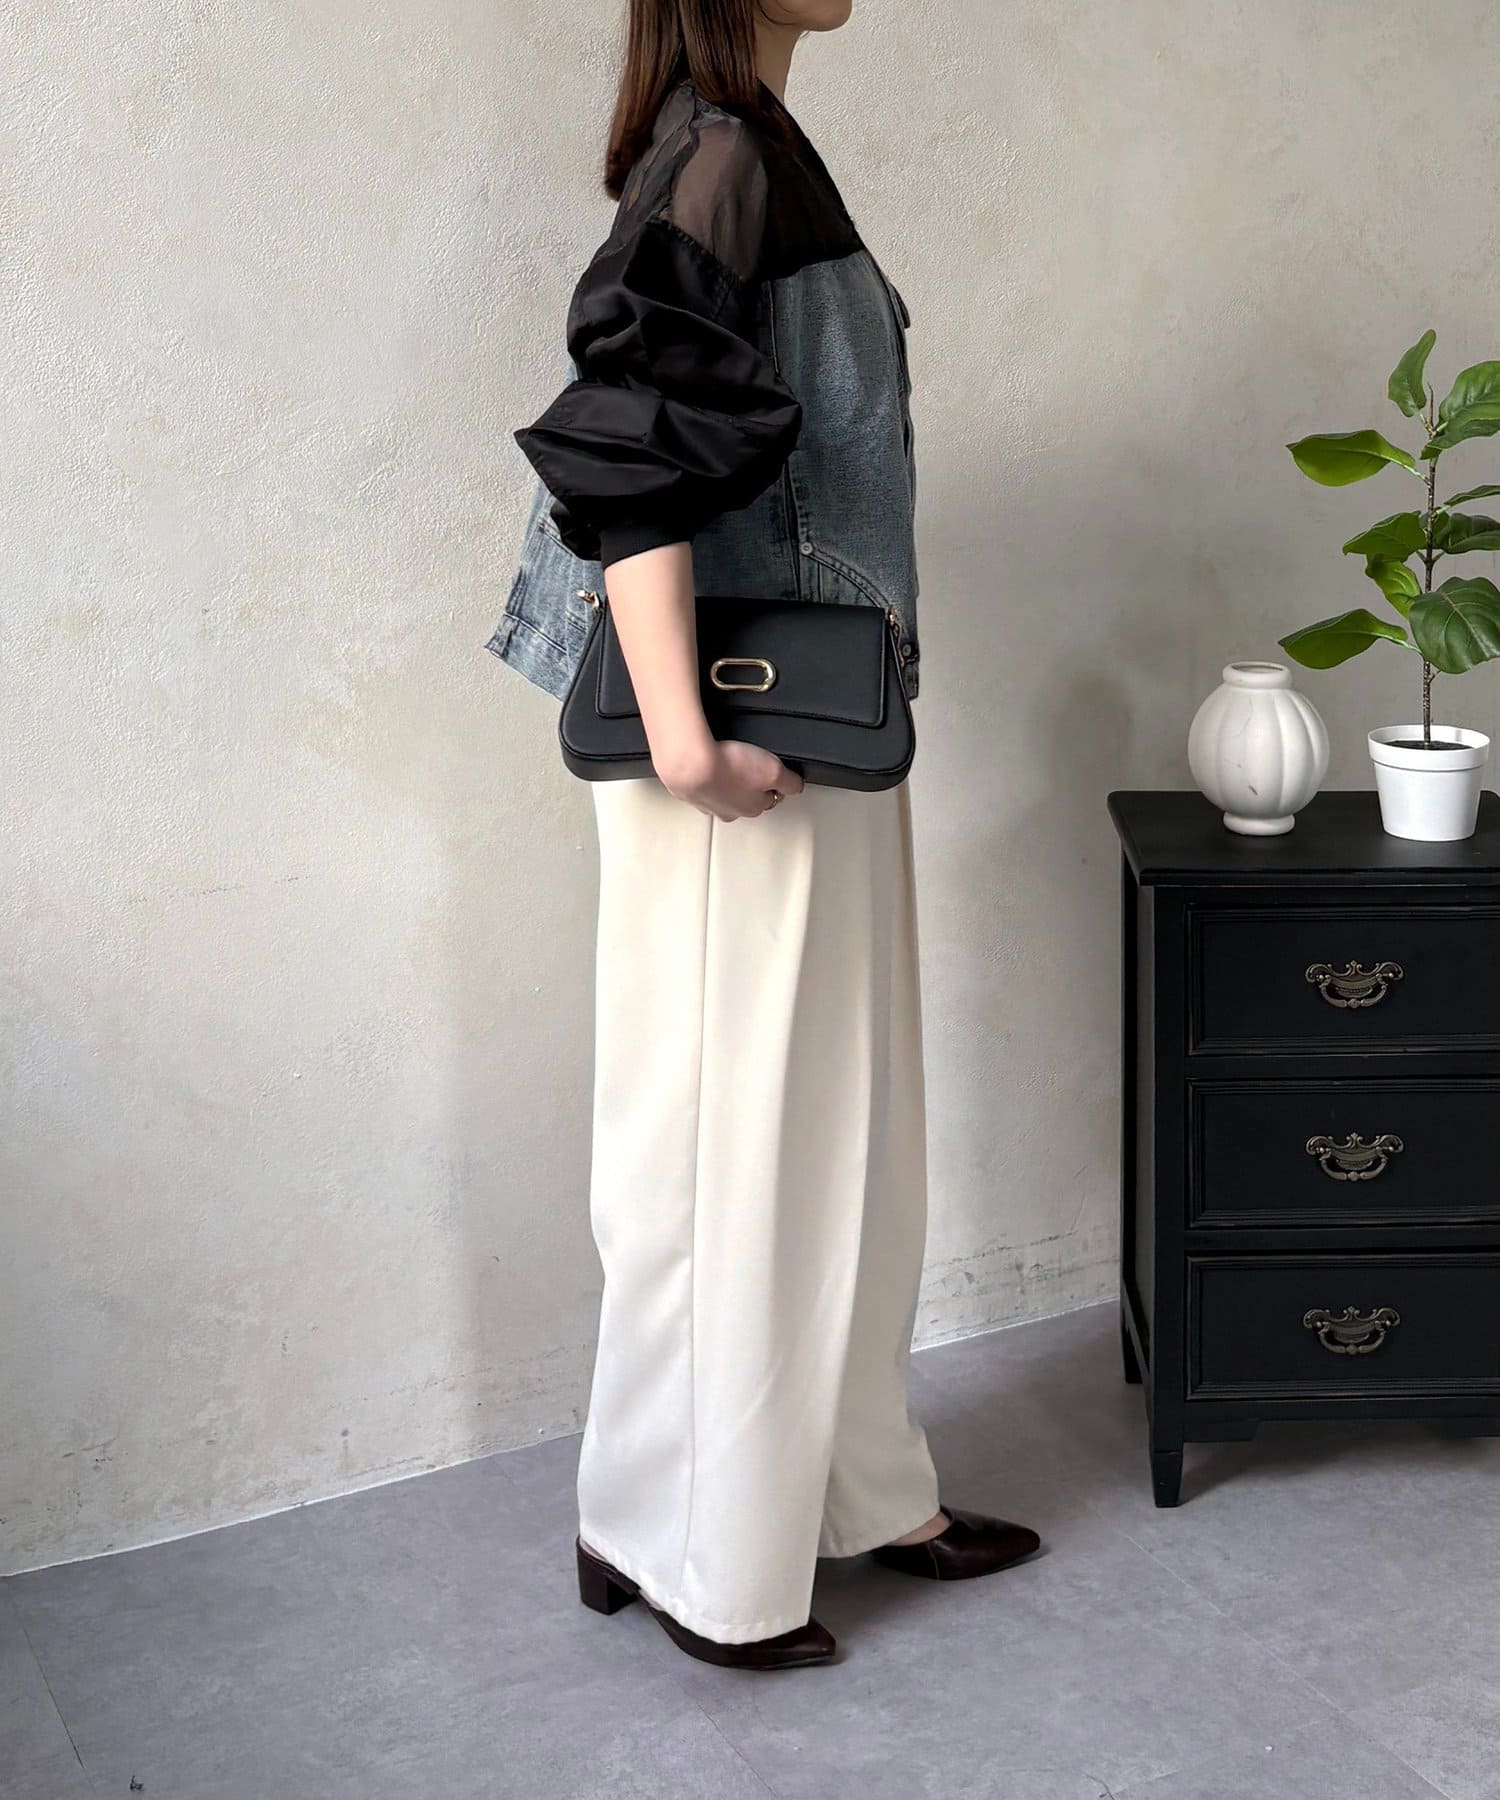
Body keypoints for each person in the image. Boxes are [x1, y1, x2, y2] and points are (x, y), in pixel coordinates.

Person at [488, 0, 1040, 1671]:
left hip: (813, 718)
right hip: (736, 738)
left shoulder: (759, 146)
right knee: (724, 1150)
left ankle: (856, 1489)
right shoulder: (717, 156)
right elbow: (629, 443)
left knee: (839, 1140)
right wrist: (683, 741)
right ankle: (687, 1546)